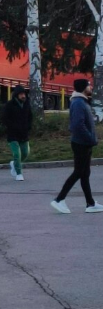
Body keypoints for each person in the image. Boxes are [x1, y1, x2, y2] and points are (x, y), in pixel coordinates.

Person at [50, 79, 103, 214]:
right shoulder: (79, 103)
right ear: (84, 88)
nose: (90, 87)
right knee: (79, 172)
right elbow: (77, 125)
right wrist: (90, 138)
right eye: (89, 85)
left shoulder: (81, 101)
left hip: (84, 143)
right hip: (81, 143)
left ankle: (90, 203)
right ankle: (59, 199)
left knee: (85, 174)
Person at [3, 85, 33, 182]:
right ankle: (19, 174)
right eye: (21, 94)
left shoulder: (27, 104)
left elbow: (30, 116)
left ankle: (14, 164)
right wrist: (11, 127)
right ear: (16, 95)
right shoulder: (10, 105)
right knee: (17, 154)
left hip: (24, 133)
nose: (23, 96)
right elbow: (5, 118)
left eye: (24, 94)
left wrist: (29, 126)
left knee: (25, 153)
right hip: (13, 134)